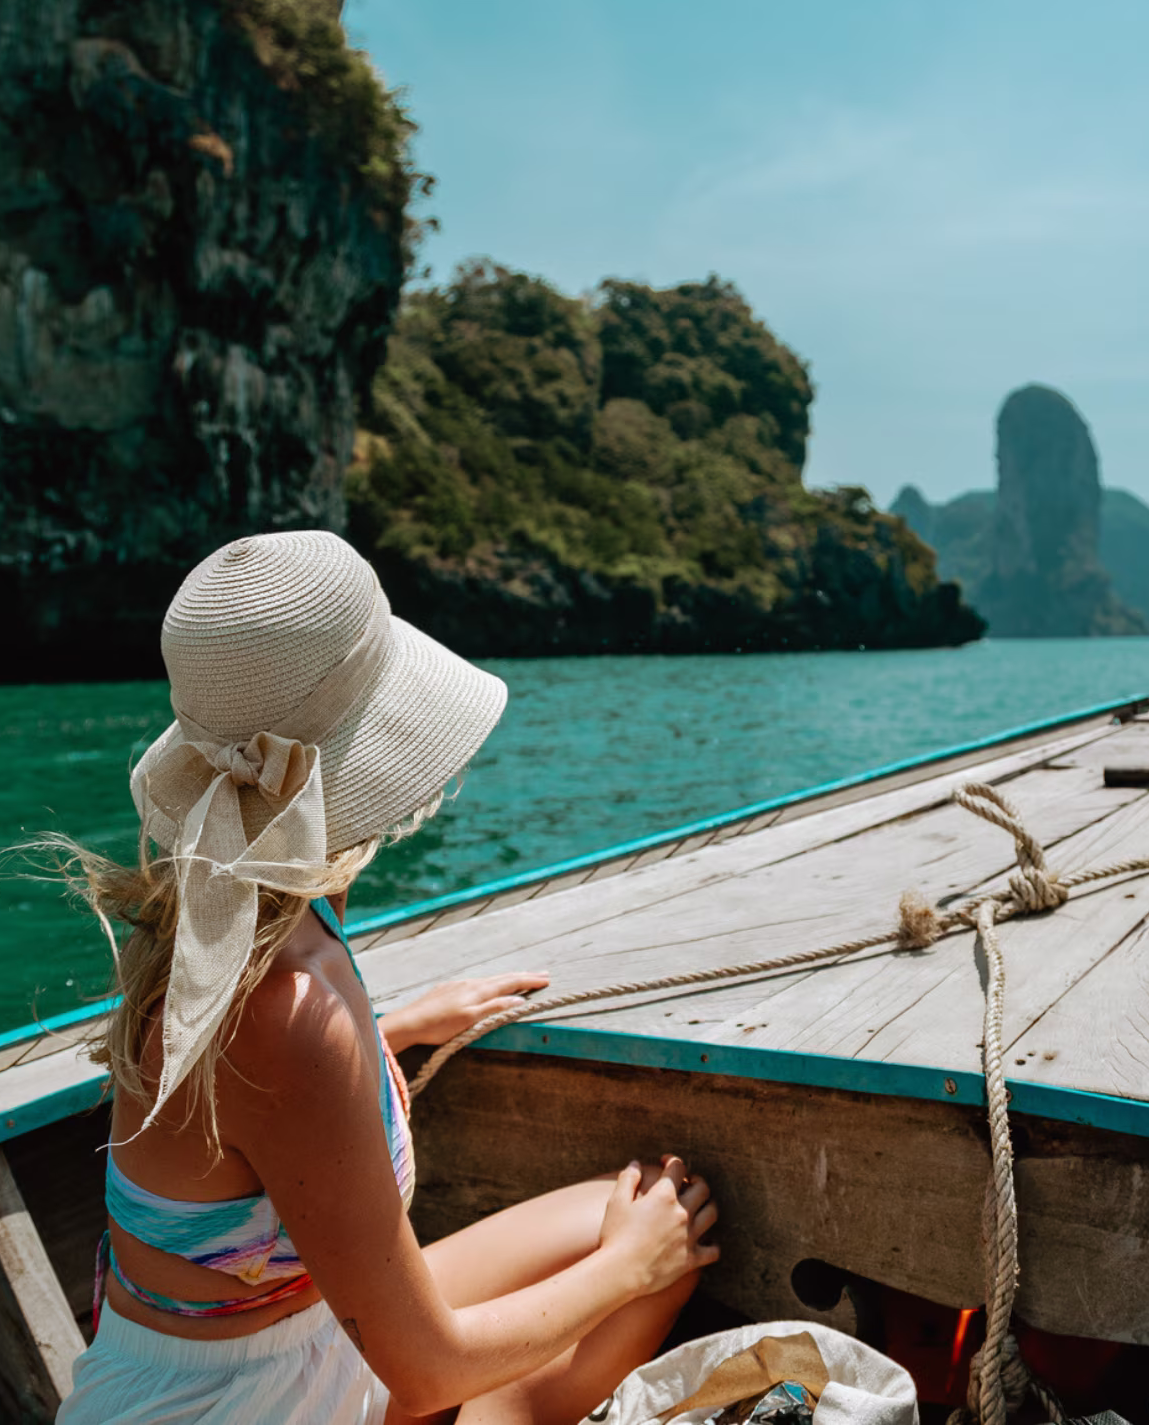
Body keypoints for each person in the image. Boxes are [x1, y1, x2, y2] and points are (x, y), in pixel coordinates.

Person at [46, 531, 720, 1425]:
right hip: (236, 1401)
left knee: (633, 1205)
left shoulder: (243, 905)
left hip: (286, 1339)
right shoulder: (285, 1010)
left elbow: (247, 1109)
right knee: (646, 1254)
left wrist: (387, 1031)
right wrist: (629, 1265)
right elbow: (429, 1370)